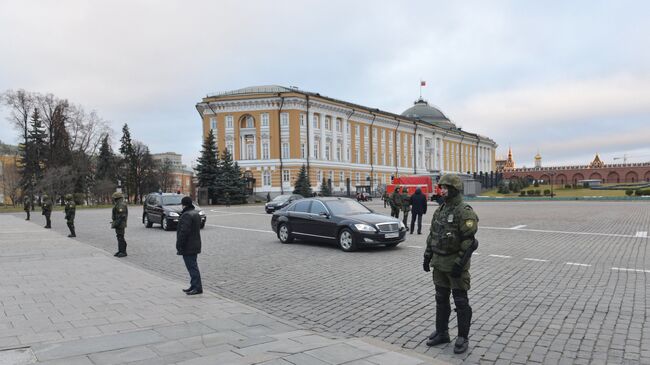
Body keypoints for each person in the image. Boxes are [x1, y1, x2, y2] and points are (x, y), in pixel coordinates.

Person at [423, 173, 479, 354]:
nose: (442, 190)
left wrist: (459, 263)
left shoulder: (465, 211)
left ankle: (463, 337)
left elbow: (469, 241)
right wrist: (427, 255)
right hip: (439, 263)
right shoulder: (440, 210)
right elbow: (433, 234)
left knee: (461, 301)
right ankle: (442, 332)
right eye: (442, 187)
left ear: (454, 189)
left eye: (446, 188)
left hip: (455, 265)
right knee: (441, 299)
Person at [177, 196, 203, 295]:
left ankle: (197, 287)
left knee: (192, 267)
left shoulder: (186, 215)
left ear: (184, 204)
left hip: (188, 245)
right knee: (193, 266)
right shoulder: (195, 213)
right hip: (195, 244)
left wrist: (179, 244)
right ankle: (193, 285)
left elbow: (184, 232)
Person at [111, 192, 128, 257]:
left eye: (114, 198)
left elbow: (121, 216)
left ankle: (123, 252)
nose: (113, 199)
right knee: (119, 237)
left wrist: (116, 223)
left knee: (121, 237)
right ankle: (120, 250)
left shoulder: (121, 204)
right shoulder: (118, 204)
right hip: (119, 223)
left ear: (117, 198)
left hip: (120, 224)